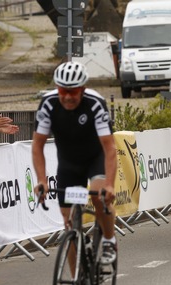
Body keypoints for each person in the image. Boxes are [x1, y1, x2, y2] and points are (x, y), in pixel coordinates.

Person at [32, 61, 117, 266]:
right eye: (63, 90)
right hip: (69, 164)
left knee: (99, 196)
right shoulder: (48, 104)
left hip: (94, 159)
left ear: (83, 89)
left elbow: (110, 148)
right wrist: (42, 180)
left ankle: (108, 239)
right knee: (69, 226)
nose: (68, 96)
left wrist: (110, 185)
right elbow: (37, 146)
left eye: (74, 91)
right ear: (57, 88)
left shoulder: (95, 103)